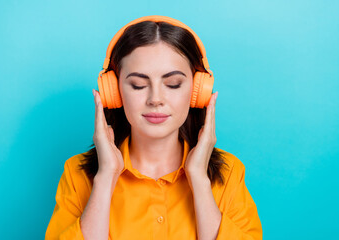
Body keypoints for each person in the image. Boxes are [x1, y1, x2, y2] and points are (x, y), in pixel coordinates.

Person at [45, 15, 262, 240]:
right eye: (138, 85)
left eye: (173, 84)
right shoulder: (77, 175)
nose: (155, 99)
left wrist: (198, 178)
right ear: (115, 92)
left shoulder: (229, 174)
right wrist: (105, 177)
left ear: (198, 91)